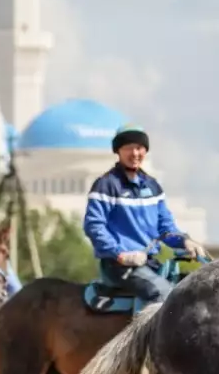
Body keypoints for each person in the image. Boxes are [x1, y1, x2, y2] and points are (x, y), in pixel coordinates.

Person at [83, 125, 202, 305]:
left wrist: (185, 241)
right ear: (118, 151)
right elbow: (94, 226)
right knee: (164, 294)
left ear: (145, 150)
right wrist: (121, 254)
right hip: (119, 266)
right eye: (128, 148)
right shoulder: (106, 185)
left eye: (139, 147)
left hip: (150, 264)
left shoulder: (152, 186)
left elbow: (165, 228)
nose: (135, 153)